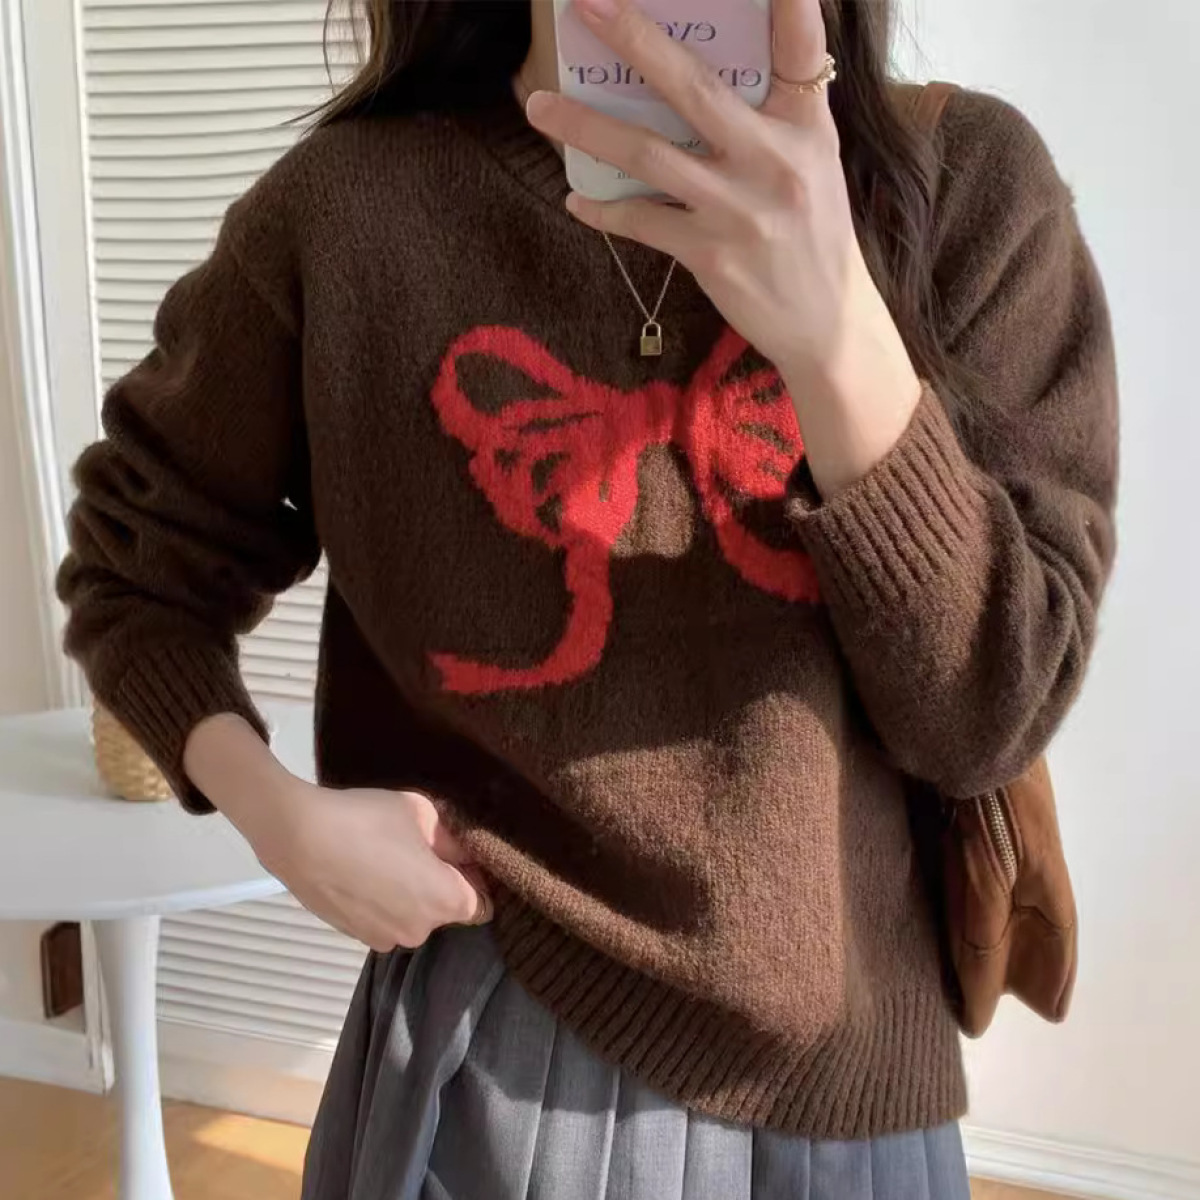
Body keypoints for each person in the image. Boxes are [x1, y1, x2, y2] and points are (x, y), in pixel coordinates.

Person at [57, 0, 1118, 1196]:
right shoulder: (347, 213)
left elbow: (986, 718)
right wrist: (272, 813)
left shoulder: (965, 190)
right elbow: (137, 560)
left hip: (852, 1080)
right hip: (493, 1044)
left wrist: (838, 339)